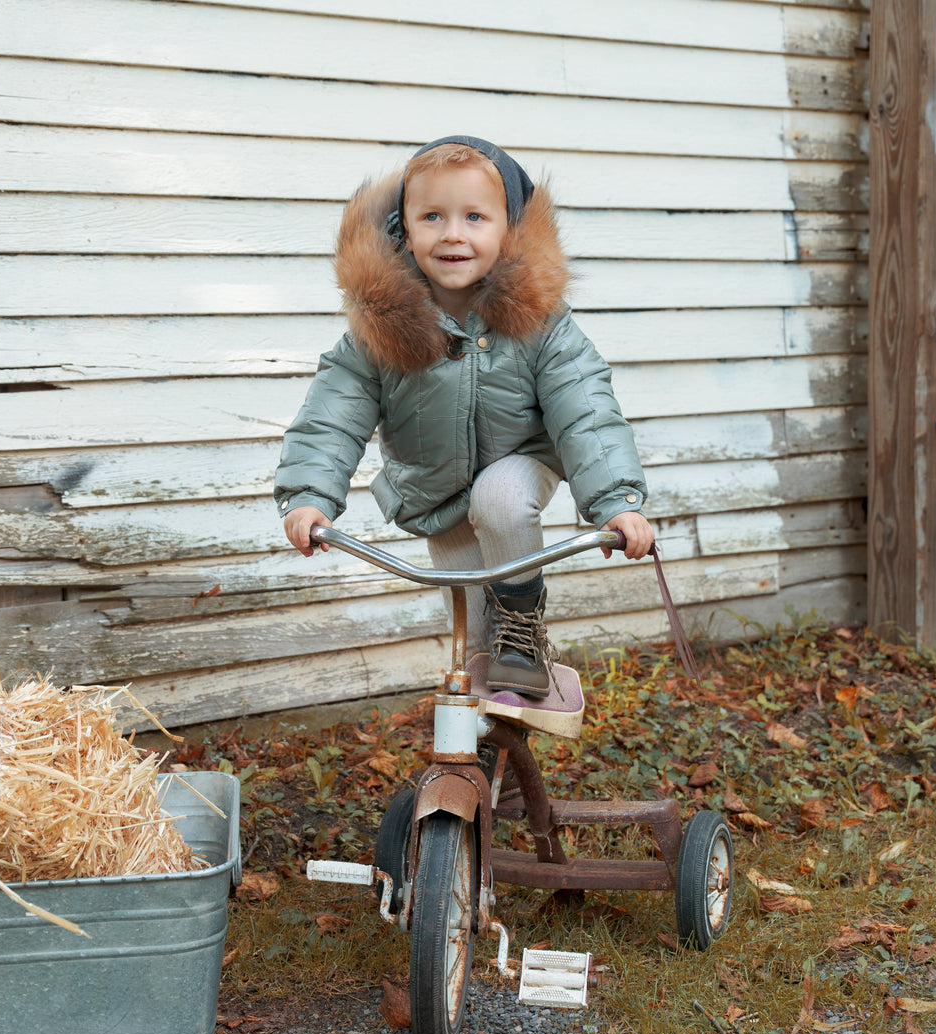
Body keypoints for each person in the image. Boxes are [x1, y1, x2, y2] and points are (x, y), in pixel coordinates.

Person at [274, 136, 653, 696]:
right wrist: (308, 494)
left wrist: (617, 502)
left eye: (475, 216)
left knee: (499, 499)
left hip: (518, 464)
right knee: (479, 654)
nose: (453, 233)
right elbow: (335, 411)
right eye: (433, 216)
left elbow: (586, 412)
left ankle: (524, 633)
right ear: (403, 228)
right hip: (437, 493)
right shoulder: (381, 325)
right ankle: (487, 764)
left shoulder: (540, 322)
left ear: (509, 229)